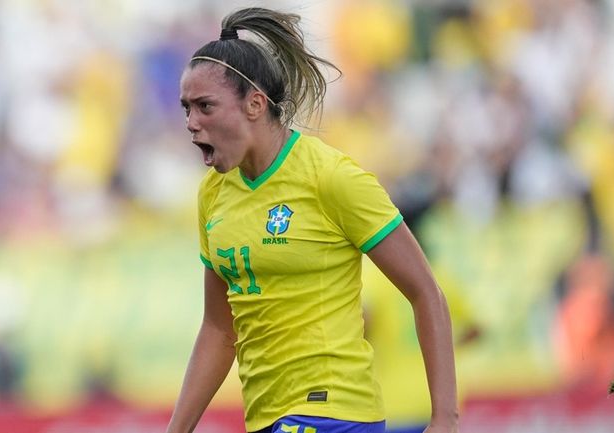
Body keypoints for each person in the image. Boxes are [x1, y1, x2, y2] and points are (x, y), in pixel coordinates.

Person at [167, 7, 458, 433]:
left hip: (333, 412)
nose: (191, 123)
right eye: (186, 108)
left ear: (254, 104)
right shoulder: (212, 195)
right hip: (269, 417)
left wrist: (445, 419)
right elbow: (218, 327)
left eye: (205, 106)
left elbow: (425, 292)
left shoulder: (330, 178)